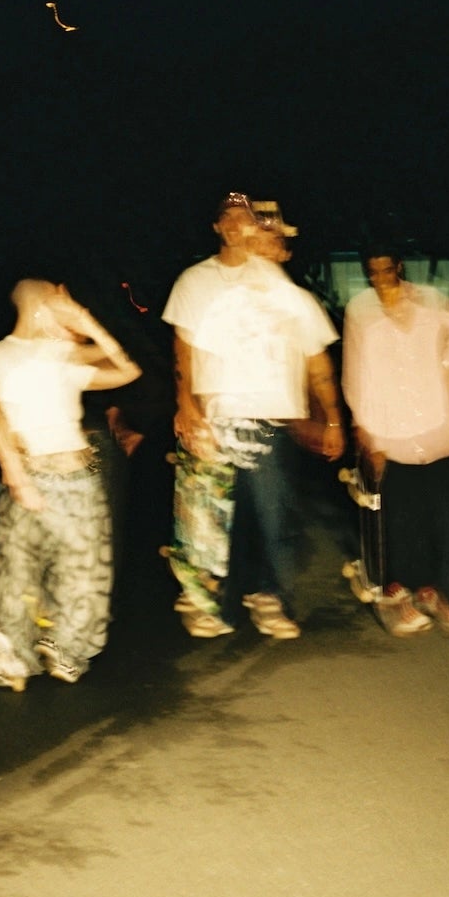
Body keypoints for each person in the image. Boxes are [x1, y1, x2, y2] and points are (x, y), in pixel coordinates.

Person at [163, 193, 343, 640]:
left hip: (271, 420)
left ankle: (270, 597)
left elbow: (317, 362)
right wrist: (187, 405)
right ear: (220, 227)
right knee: (209, 519)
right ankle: (208, 602)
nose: (244, 229)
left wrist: (333, 419)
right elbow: (186, 348)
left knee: (273, 516)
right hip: (217, 415)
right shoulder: (205, 286)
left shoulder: (292, 296)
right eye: (230, 218)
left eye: (254, 224)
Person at [0, 281, 142, 681]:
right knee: (16, 571)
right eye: (57, 300)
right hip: (30, 473)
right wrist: (14, 471)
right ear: (37, 306)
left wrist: (87, 322)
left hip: (78, 479)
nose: (66, 304)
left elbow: (127, 370)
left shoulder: (61, 353)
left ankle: (67, 648)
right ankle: (13, 655)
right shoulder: (1, 354)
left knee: (84, 573)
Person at [342, 250, 449, 640]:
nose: (380, 278)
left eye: (386, 269)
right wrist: (365, 430)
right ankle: (412, 592)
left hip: (438, 434)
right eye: (372, 272)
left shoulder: (433, 303)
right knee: (400, 521)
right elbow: (355, 374)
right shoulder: (360, 311)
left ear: (399, 267)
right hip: (390, 434)